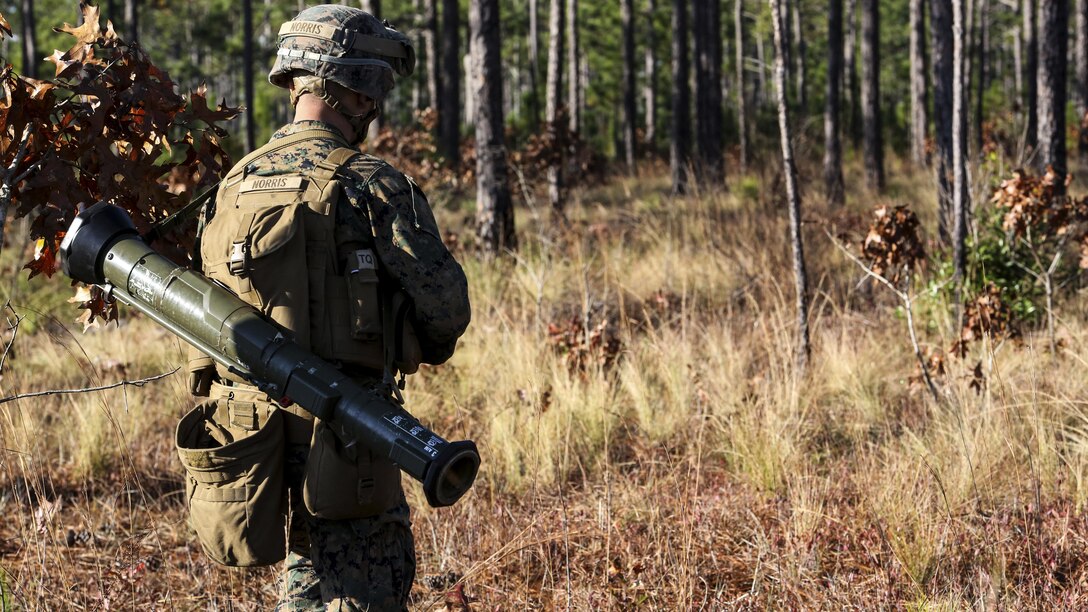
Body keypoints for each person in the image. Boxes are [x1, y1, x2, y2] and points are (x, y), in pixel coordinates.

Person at [186, 5, 471, 609]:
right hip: (349, 442)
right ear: (358, 88)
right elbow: (445, 314)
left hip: (249, 444)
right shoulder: (372, 184)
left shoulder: (231, 185)